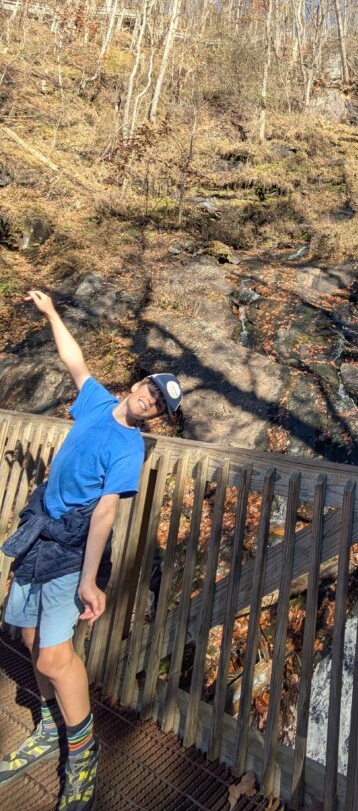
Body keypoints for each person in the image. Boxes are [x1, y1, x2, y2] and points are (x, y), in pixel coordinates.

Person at [0, 289, 183, 810]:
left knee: (55, 656)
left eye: (159, 405)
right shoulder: (99, 403)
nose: (150, 401)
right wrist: (52, 313)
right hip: (41, 531)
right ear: (137, 385)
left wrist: (88, 578)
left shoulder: (128, 448)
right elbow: (74, 361)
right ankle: (50, 726)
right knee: (30, 636)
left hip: (74, 549)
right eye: (151, 390)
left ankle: (83, 754)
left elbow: (105, 513)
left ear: (156, 416)